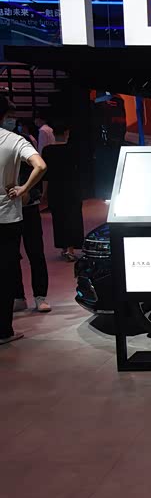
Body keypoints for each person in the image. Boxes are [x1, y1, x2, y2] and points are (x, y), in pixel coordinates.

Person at [1, 95, 47, 345]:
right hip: (9, 215)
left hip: (16, 214)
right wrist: (23, 189)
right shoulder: (15, 140)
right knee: (7, 270)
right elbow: (40, 166)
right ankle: (4, 330)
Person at [13, 149, 50, 313]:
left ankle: (40, 296)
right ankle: (18, 296)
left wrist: (28, 190)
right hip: (8, 210)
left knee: (36, 253)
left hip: (28, 208)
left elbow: (39, 170)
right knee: (11, 256)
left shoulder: (23, 145)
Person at [41, 122, 84, 262]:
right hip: (72, 188)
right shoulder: (74, 149)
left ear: (53, 133)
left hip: (55, 188)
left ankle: (64, 247)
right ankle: (70, 249)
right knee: (72, 217)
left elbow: (45, 174)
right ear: (67, 133)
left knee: (59, 217)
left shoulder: (47, 151)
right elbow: (80, 170)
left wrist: (44, 192)